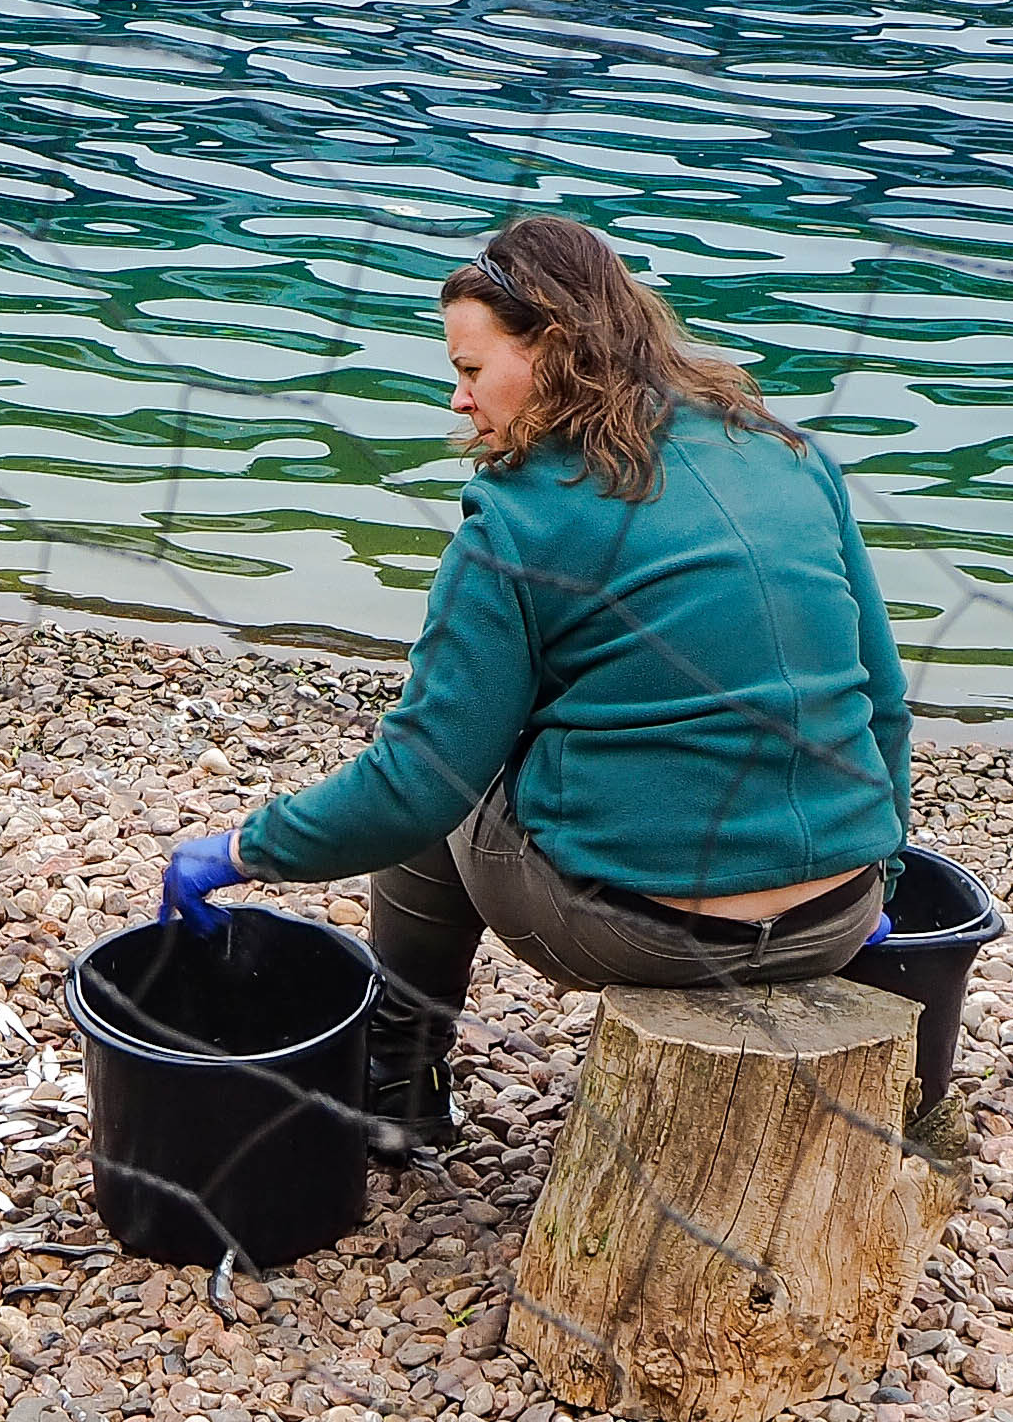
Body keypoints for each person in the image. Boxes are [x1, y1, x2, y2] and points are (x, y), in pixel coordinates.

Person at [156, 214, 911, 1151]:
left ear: (551, 348)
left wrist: (236, 852)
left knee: (445, 786)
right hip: (839, 916)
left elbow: (413, 786)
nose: (459, 401)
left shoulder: (517, 519)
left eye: (472, 371)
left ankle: (396, 1094)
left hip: (650, 936)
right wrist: (881, 866)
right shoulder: (790, 453)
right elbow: (882, 704)